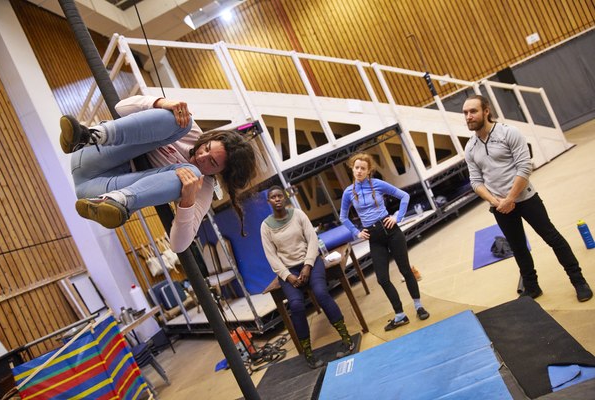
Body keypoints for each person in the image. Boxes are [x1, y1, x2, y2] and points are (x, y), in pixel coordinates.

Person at [59, 95, 256, 253]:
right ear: (209, 139)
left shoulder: (202, 189)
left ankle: (118, 201)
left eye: (212, 162)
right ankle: (90, 135)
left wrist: (187, 201)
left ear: (222, 173)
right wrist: (162, 103)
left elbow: (179, 246)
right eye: (206, 147)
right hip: (91, 156)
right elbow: (121, 107)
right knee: (182, 120)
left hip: (96, 192)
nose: (202, 155)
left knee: (192, 175)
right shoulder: (190, 132)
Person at [463, 94, 592, 302]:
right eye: (466, 113)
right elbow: (476, 181)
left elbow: (525, 167)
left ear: (486, 111)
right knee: (518, 248)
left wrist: (510, 198)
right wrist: (496, 202)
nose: (468, 116)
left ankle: (579, 281)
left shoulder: (508, 133)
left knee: (553, 238)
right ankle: (532, 287)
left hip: (526, 199)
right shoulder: (470, 147)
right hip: (500, 207)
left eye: (473, 111)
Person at [260, 186, 355, 369]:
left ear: (285, 198)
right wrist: (288, 276)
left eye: (280, 196)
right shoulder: (265, 226)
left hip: (310, 262)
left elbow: (312, 240)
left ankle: (346, 338)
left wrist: (307, 265)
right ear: (269, 202)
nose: (277, 199)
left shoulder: (298, 215)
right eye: (273, 197)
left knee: (321, 293)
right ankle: (309, 354)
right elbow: (271, 256)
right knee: (295, 305)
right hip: (288, 271)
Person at [340, 153, 430, 332]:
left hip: (391, 231)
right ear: (352, 168)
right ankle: (400, 315)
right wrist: (356, 233)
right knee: (382, 279)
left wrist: (398, 217)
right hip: (374, 238)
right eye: (356, 167)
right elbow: (343, 217)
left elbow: (404, 196)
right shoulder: (348, 193)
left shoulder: (378, 185)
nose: (358, 171)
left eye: (362, 168)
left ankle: (418, 305)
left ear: (368, 171)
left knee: (405, 269)